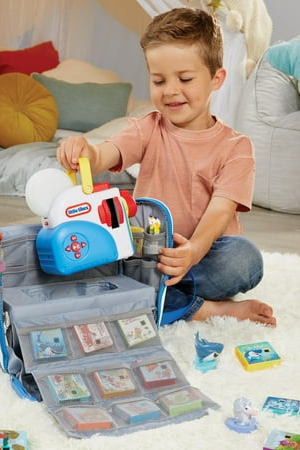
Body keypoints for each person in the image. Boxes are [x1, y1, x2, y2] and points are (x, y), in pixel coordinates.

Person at [57, 8, 276, 327]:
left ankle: (154, 296)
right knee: (96, 258)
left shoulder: (236, 147)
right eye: (159, 80)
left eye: (185, 79)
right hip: (148, 253)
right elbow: (104, 153)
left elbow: (220, 211)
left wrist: (193, 252)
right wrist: (84, 151)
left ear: (216, 79)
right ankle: (204, 309)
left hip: (205, 255)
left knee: (245, 259)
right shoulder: (147, 128)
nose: (170, 90)